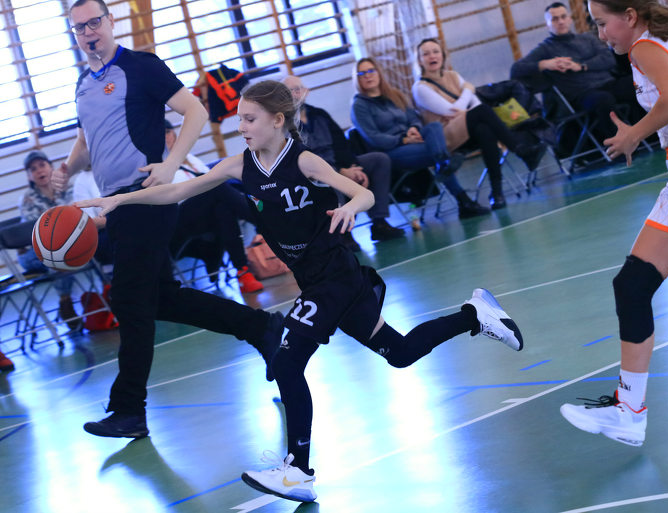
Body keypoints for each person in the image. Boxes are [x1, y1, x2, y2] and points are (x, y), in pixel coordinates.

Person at [75, 80, 525, 502]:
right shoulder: (239, 165)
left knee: (287, 362)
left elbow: (364, 195)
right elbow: (177, 192)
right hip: (320, 281)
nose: (241, 126)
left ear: (277, 120)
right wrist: (119, 201)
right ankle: (475, 315)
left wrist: (350, 206)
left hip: (335, 276)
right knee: (401, 352)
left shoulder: (305, 161)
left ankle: (298, 471)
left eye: (250, 118)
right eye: (239, 118)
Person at [53, 0, 283, 439]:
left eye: (94, 22)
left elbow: (195, 111)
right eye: (79, 27)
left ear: (110, 21)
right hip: (116, 204)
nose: (88, 32)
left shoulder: (141, 66)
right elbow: (86, 144)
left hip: (146, 196)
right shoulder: (83, 84)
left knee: (129, 300)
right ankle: (262, 327)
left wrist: (172, 162)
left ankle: (129, 410)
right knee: (161, 298)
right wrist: (67, 168)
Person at [560, 0, 668, 447]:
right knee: (632, 285)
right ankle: (629, 412)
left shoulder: (645, 47)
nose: (602, 34)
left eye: (603, 23)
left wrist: (634, 134)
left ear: (631, 16)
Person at [413, 38, 547, 209]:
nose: (432, 56)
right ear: (420, 61)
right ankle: (521, 151)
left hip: (468, 129)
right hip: (446, 137)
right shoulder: (420, 88)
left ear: (443, 55)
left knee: (485, 129)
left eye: (435, 52)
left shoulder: (453, 76)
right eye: (426, 54)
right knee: (483, 113)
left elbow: (474, 104)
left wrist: (467, 106)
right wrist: (468, 90)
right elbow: (452, 111)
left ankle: (497, 192)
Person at [350, 57, 491, 218]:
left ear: (378, 73)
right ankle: (461, 196)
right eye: (362, 73)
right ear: (357, 79)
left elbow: (414, 117)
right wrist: (403, 140)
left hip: (413, 140)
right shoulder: (359, 106)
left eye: (371, 71)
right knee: (435, 153)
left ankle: (445, 166)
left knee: (434, 127)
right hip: (392, 151)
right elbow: (374, 138)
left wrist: (414, 128)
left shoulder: (394, 95)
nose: (368, 75)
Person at [281, 75, 404, 246]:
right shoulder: (282, 124)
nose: (296, 94)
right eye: (290, 91)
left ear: (306, 92)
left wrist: (351, 167)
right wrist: (340, 171)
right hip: (311, 172)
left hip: (337, 164)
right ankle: (343, 232)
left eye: (298, 89)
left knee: (379, 160)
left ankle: (379, 222)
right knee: (329, 177)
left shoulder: (320, 114)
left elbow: (341, 144)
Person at [510, 2, 640, 142]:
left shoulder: (587, 38)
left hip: (609, 83)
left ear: (569, 19)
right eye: (555, 19)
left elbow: (609, 59)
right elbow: (516, 69)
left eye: (563, 17)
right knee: (603, 100)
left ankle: (647, 134)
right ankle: (619, 143)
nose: (560, 21)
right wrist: (545, 64)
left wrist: (581, 66)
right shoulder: (545, 49)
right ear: (547, 24)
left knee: (638, 83)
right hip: (582, 94)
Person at [165, 120, 264, 293]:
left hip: (204, 216)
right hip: (177, 220)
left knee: (223, 209)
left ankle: (243, 272)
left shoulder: (189, 158)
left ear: (173, 134)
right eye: (159, 134)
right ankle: (265, 221)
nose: (165, 137)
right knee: (216, 187)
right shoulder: (156, 163)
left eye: (167, 132)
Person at [19, 150, 82, 331]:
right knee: (55, 253)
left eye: (42, 165)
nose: (39, 170)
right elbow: (38, 232)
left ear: (51, 167)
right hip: (32, 253)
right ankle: (65, 301)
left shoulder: (68, 188)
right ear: (29, 176)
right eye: (33, 169)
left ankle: (108, 293)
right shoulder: (27, 199)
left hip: (67, 245)